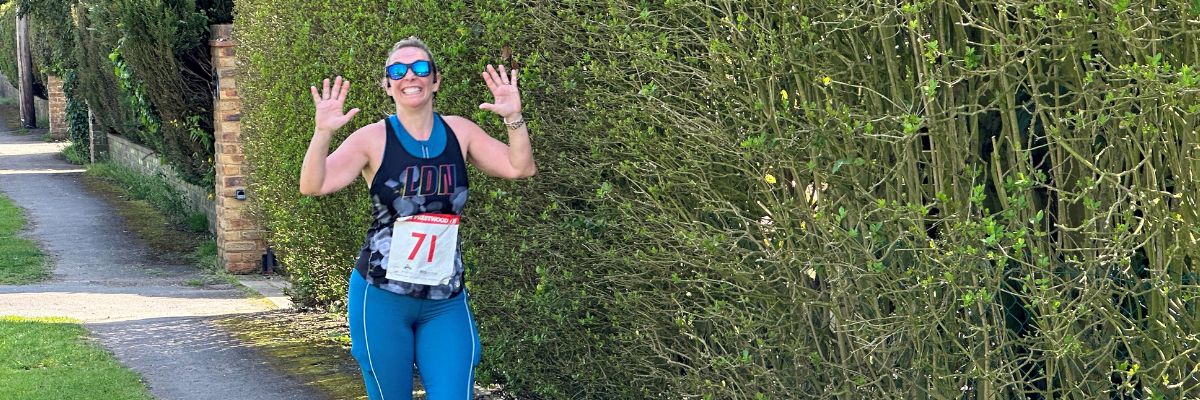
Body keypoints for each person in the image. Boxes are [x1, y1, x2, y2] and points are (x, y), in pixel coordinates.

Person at [299, 36, 536, 400]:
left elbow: (520, 167)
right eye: (398, 69)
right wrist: (322, 134)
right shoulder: (372, 139)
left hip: (445, 298)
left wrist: (514, 118)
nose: (410, 75)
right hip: (381, 297)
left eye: (421, 68)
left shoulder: (461, 131)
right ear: (388, 84)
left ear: (435, 80)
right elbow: (314, 185)